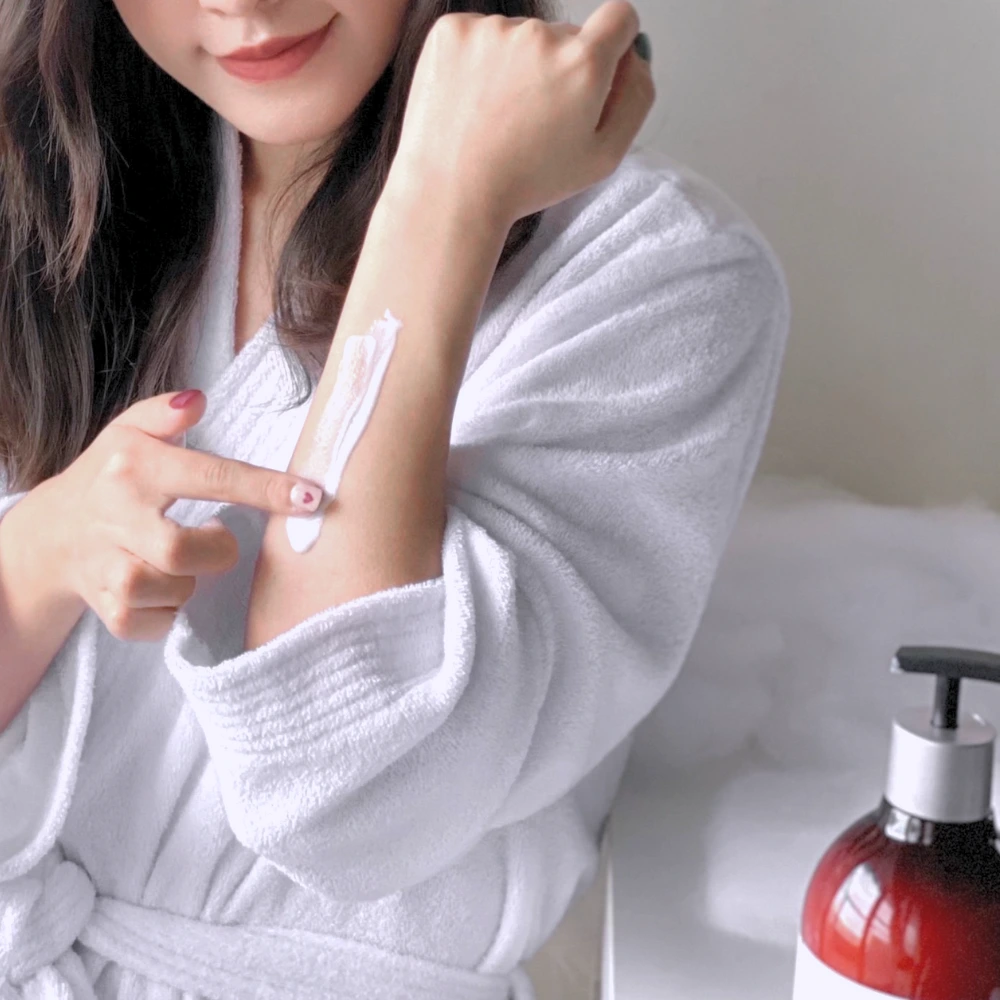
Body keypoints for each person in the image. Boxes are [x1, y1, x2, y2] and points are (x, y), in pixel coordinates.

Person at [0, 0, 789, 996]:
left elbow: (345, 789)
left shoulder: (655, 266)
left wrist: (443, 203)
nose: (243, 5)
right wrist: (40, 554)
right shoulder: (45, 186)